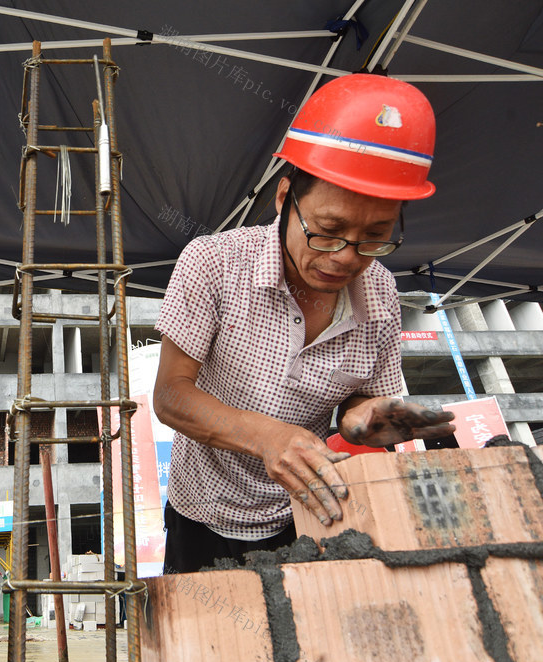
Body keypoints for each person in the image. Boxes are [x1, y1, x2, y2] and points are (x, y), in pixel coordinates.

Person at [152, 73, 456, 573]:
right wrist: (267, 437)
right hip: (202, 515)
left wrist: (365, 418)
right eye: (329, 231)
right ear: (284, 196)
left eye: (375, 237)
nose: (344, 257)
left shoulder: (379, 292)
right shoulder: (212, 262)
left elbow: (363, 401)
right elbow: (172, 396)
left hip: (310, 513)